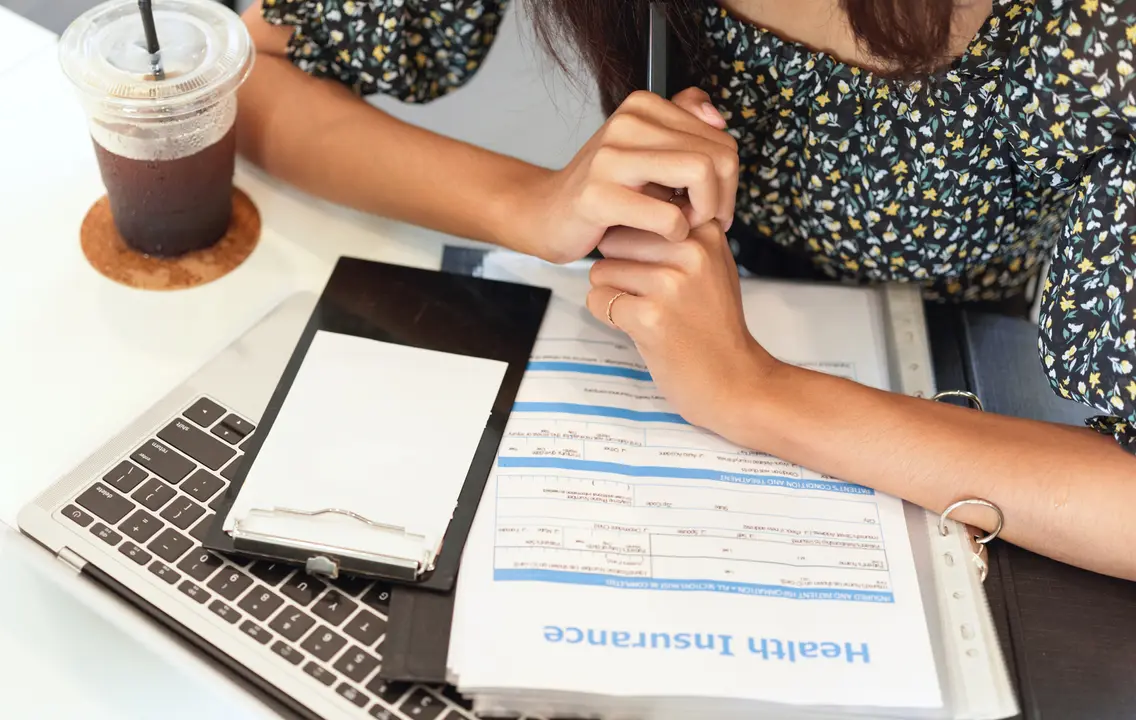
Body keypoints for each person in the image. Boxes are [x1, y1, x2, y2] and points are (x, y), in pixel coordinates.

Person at [235, 0, 1136, 581]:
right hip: (690, 324)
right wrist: (531, 204)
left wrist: (754, 391)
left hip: (968, 365)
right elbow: (245, 79)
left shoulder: (1102, 34)